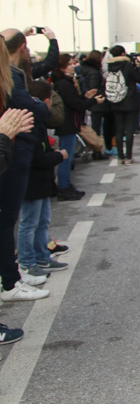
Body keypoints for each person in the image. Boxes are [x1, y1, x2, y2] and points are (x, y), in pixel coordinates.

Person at [0, 31, 54, 312]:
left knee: (14, 218)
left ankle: (13, 277)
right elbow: (34, 110)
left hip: (14, 152)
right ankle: (13, 278)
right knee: (12, 219)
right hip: (14, 155)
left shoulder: (13, 75)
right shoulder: (10, 77)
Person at [18, 80, 67, 285]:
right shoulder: (30, 126)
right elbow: (37, 158)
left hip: (41, 181)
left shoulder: (36, 123)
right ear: (46, 101)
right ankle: (28, 263)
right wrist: (59, 156)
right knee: (29, 223)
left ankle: (42, 257)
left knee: (42, 222)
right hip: (31, 181)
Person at [50, 53, 103, 199]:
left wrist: (86, 97)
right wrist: (92, 102)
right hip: (67, 123)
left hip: (69, 122)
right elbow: (74, 104)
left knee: (68, 156)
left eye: (74, 63)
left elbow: (74, 100)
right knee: (66, 157)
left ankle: (66, 185)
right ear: (62, 67)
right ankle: (63, 187)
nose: (74, 66)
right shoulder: (63, 83)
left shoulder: (65, 82)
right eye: (70, 64)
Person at [80, 50, 110, 159]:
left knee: (94, 126)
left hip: (89, 103)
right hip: (96, 103)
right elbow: (94, 88)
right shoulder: (94, 72)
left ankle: (94, 150)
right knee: (96, 128)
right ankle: (97, 151)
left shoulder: (85, 69)